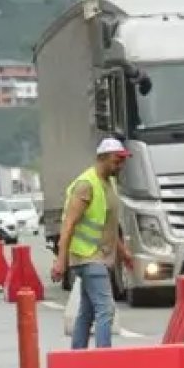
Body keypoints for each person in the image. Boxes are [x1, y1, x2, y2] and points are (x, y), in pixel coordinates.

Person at [51, 137, 133, 350]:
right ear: (103, 158)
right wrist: (61, 261)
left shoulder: (109, 183)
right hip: (87, 256)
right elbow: (68, 225)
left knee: (87, 312)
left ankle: (78, 356)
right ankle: (103, 358)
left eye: (123, 160)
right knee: (106, 309)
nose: (120, 165)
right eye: (117, 160)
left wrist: (123, 253)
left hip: (101, 256)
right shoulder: (86, 185)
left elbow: (109, 226)